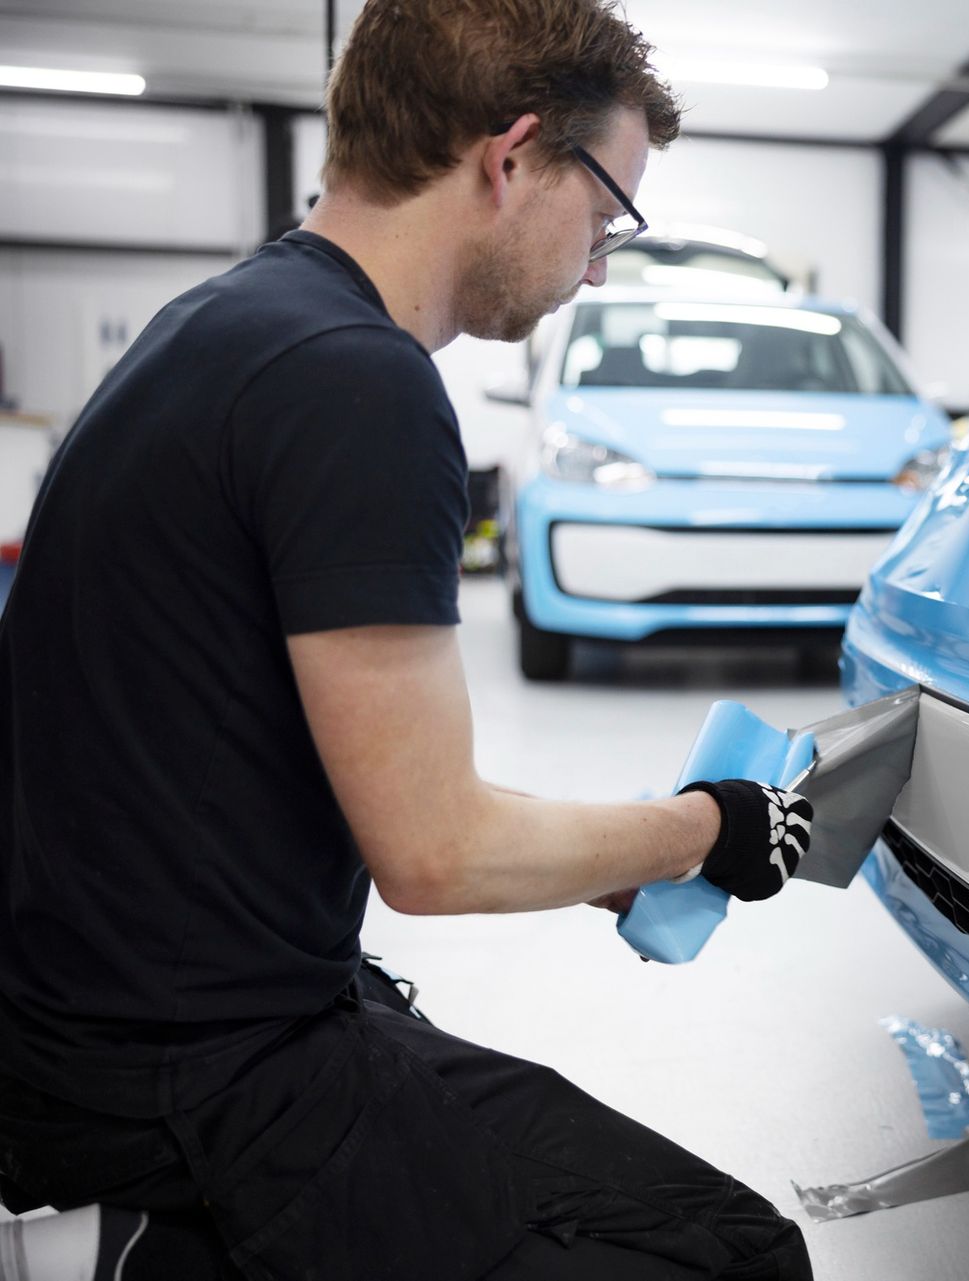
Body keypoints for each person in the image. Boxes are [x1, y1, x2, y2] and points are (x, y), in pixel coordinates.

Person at [0, 1, 817, 1276]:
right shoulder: (357, 382)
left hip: (107, 1013)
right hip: (185, 1074)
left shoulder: (229, 324)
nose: (595, 265)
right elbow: (432, 855)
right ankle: (135, 1256)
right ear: (513, 155)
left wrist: (613, 861)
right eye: (604, 220)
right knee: (734, 1258)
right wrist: (709, 827)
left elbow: (357, 766)